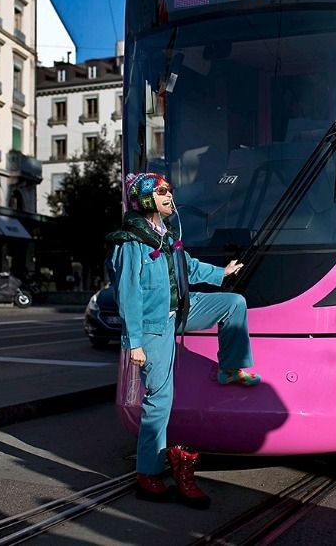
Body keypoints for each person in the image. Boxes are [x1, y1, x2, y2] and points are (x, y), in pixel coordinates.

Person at [107, 172, 260, 510]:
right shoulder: (130, 241)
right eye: (161, 191)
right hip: (152, 325)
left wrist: (221, 274)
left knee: (232, 303)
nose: (168, 196)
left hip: (180, 309)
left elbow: (186, 267)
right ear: (145, 197)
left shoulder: (165, 232)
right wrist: (134, 343)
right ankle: (148, 472)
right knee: (160, 400)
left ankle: (231, 368)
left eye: (169, 191)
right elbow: (128, 295)